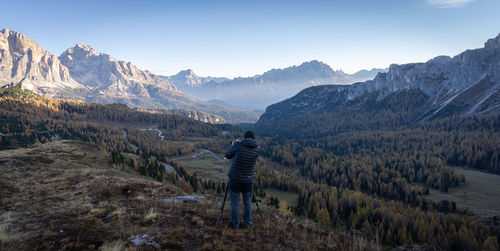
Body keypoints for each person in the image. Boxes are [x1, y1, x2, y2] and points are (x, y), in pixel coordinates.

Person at [224, 130, 259, 229]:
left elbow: (227, 155)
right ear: (253, 138)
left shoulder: (238, 145)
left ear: (245, 137)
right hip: (248, 179)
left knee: (235, 202)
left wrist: (233, 145)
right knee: (247, 202)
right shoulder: (257, 149)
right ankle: (248, 223)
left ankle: (236, 224)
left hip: (235, 178)